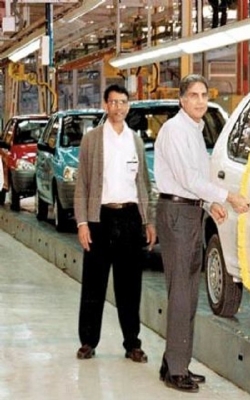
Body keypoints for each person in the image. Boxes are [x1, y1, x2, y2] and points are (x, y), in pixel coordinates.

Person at [154, 74, 250, 393]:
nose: (199, 101)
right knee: (181, 293)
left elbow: (196, 179)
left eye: (204, 95)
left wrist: (209, 205)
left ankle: (175, 361)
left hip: (190, 210)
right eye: (193, 95)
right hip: (177, 213)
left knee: (189, 293)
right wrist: (227, 197)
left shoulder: (195, 129)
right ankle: (175, 370)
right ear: (182, 99)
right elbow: (186, 179)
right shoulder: (175, 130)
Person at [74, 84, 157, 364]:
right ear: (105, 105)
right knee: (94, 284)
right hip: (100, 218)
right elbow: (82, 184)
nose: (118, 107)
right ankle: (88, 341)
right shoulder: (92, 140)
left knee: (130, 286)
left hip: (130, 218)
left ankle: (132, 343)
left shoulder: (135, 140)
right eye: (113, 102)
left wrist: (148, 221)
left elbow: (143, 183)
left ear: (128, 106)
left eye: (123, 102)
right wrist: (82, 223)